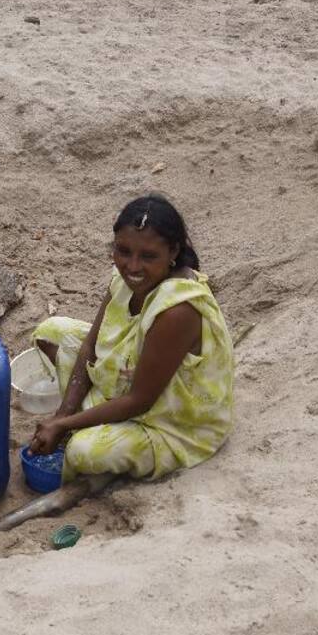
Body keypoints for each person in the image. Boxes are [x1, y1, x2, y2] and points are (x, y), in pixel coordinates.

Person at [26, 194, 235, 484]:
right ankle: (91, 419)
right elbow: (91, 344)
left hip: (172, 421)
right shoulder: (124, 278)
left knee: (82, 451)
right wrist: (62, 415)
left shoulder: (178, 309)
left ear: (173, 252)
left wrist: (62, 425)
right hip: (132, 379)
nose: (132, 266)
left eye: (148, 256)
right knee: (50, 332)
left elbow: (140, 400)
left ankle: (99, 428)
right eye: (123, 252)